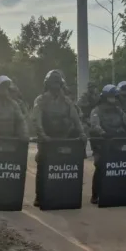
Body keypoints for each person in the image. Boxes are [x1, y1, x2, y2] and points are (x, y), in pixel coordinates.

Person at [32, 70, 87, 207]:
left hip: (63, 138)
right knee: (43, 164)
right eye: (53, 83)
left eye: (58, 83)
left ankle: (61, 193)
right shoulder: (41, 100)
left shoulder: (67, 101)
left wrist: (82, 133)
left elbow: (75, 119)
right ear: (48, 84)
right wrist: (43, 135)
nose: (56, 86)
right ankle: (39, 196)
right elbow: (36, 120)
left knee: (62, 167)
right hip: (46, 140)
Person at [88, 85, 126, 204]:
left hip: (116, 141)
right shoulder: (97, 110)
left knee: (119, 166)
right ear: (105, 97)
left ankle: (116, 191)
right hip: (101, 142)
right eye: (111, 97)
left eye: (115, 97)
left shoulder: (118, 110)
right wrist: (103, 133)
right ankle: (95, 195)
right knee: (100, 166)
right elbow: (95, 125)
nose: (113, 99)